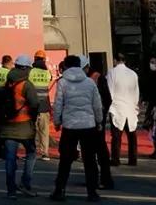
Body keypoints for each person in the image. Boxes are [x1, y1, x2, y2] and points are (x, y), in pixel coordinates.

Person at [50, 55, 105, 202]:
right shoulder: (90, 82)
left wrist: (57, 122)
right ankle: (92, 192)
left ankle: (59, 190)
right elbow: (97, 105)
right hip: (88, 125)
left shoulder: (62, 83)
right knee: (90, 160)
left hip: (70, 126)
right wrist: (99, 121)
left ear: (66, 67)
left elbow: (58, 104)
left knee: (65, 160)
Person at [0, 54, 40, 199]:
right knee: (31, 153)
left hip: (7, 127)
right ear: (27, 68)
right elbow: (35, 104)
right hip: (24, 126)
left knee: (10, 159)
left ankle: (11, 190)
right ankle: (25, 183)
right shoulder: (26, 85)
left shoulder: (7, 83)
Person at [82, 59, 114, 189]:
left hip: (94, 120)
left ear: (86, 68)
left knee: (97, 151)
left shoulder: (96, 78)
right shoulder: (89, 78)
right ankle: (94, 179)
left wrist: (101, 115)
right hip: (93, 119)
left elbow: (107, 99)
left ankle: (103, 179)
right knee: (93, 151)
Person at [106, 54, 139, 167]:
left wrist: (108, 106)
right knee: (132, 135)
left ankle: (115, 159)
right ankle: (133, 159)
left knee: (116, 135)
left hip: (117, 107)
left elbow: (110, 91)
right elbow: (136, 92)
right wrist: (135, 105)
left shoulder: (112, 72)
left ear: (115, 60)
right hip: (130, 107)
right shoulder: (133, 74)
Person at [28, 50, 53, 160]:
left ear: (34, 59)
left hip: (32, 106)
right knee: (44, 131)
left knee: (32, 130)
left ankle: (33, 151)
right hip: (44, 106)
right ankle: (45, 153)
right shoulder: (47, 73)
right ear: (44, 60)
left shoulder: (30, 72)